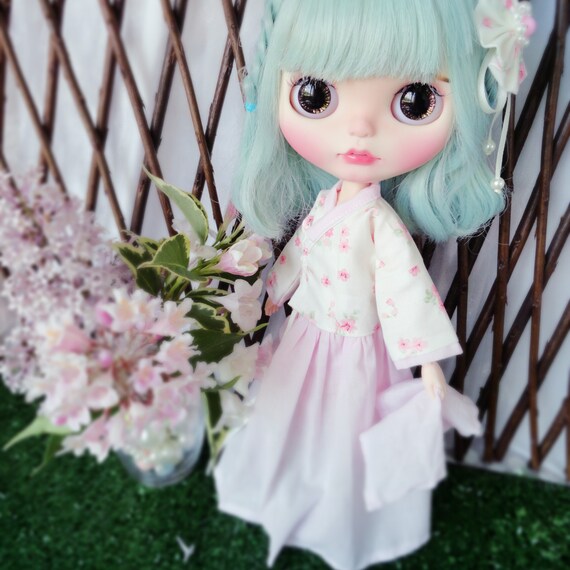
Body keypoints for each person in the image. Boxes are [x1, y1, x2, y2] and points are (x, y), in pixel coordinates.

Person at [214, 1, 535, 568]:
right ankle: (284, 491)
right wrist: (272, 293)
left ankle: (340, 519)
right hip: (306, 337)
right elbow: (301, 251)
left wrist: (428, 363)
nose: (360, 129)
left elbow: (406, 292)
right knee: (289, 419)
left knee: (345, 435)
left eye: (415, 102)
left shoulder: (381, 224)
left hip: (357, 351)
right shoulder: (324, 205)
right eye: (316, 95)